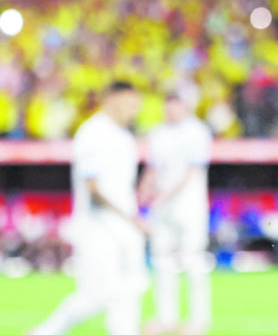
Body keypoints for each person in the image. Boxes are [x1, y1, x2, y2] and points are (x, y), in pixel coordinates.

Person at [27, 81, 148, 335]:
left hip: (123, 225)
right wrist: (131, 218)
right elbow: (93, 187)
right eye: (130, 104)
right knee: (98, 294)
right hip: (98, 226)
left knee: (132, 288)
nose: (134, 111)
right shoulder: (93, 133)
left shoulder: (124, 137)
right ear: (113, 100)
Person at [139, 91, 215, 335]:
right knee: (161, 261)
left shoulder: (197, 131)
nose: (170, 111)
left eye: (175, 105)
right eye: (167, 106)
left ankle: (198, 320)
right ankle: (166, 318)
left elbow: (191, 171)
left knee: (193, 260)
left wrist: (162, 195)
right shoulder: (158, 133)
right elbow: (153, 166)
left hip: (188, 206)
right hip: (162, 207)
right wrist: (145, 188)